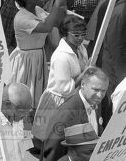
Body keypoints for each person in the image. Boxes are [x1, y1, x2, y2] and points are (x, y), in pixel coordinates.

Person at [10, 0, 68, 109]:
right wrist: (57, 3)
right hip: (26, 61)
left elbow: (56, 21)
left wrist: (62, 4)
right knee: (23, 98)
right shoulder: (21, 18)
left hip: (38, 56)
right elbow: (47, 27)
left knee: (37, 98)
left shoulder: (38, 10)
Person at [33, 15, 89, 145]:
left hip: (73, 99)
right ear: (65, 34)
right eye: (76, 35)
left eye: (83, 34)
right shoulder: (61, 57)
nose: (80, 38)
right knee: (53, 141)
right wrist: (84, 73)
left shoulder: (81, 48)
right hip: (58, 102)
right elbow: (65, 90)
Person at [40, 67, 109, 161]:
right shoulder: (65, 114)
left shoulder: (96, 101)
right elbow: (52, 154)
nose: (100, 95)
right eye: (96, 89)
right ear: (83, 85)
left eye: (104, 91)